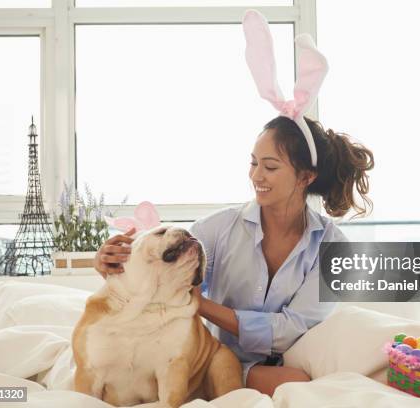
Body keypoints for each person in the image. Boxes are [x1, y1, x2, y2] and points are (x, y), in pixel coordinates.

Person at [94, 115, 374, 397]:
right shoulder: (217, 229)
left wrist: (201, 305)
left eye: (270, 167)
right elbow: (161, 275)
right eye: (253, 163)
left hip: (281, 362)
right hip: (211, 359)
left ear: (306, 177)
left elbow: (291, 329)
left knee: (297, 380)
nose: (256, 176)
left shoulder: (334, 247)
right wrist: (111, 264)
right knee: (291, 382)